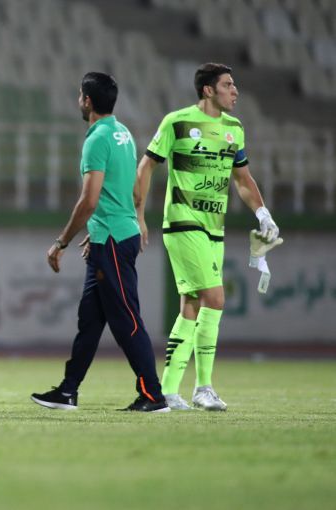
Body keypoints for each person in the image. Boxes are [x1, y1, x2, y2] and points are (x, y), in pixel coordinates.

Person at [135, 63, 279, 411]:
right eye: (228, 85)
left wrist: (263, 213)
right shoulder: (177, 122)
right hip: (183, 222)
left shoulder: (234, 129)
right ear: (208, 90)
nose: (235, 91)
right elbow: (147, 165)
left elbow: (243, 179)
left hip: (215, 227)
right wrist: (138, 214)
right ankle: (203, 387)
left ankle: (168, 390)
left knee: (192, 304)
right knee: (215, 298)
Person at [30, 73, 169, 413]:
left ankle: (153, 395)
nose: (79, 100)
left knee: (126, 320)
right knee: (90, 321)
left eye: (80, 95)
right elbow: (133, 191)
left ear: (87, 101)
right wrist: (115, 224)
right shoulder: (123, 134)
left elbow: (89, 200)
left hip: (112, 242)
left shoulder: (97, 140)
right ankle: (68, 391)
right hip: (112, 235)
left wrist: (61, 242)